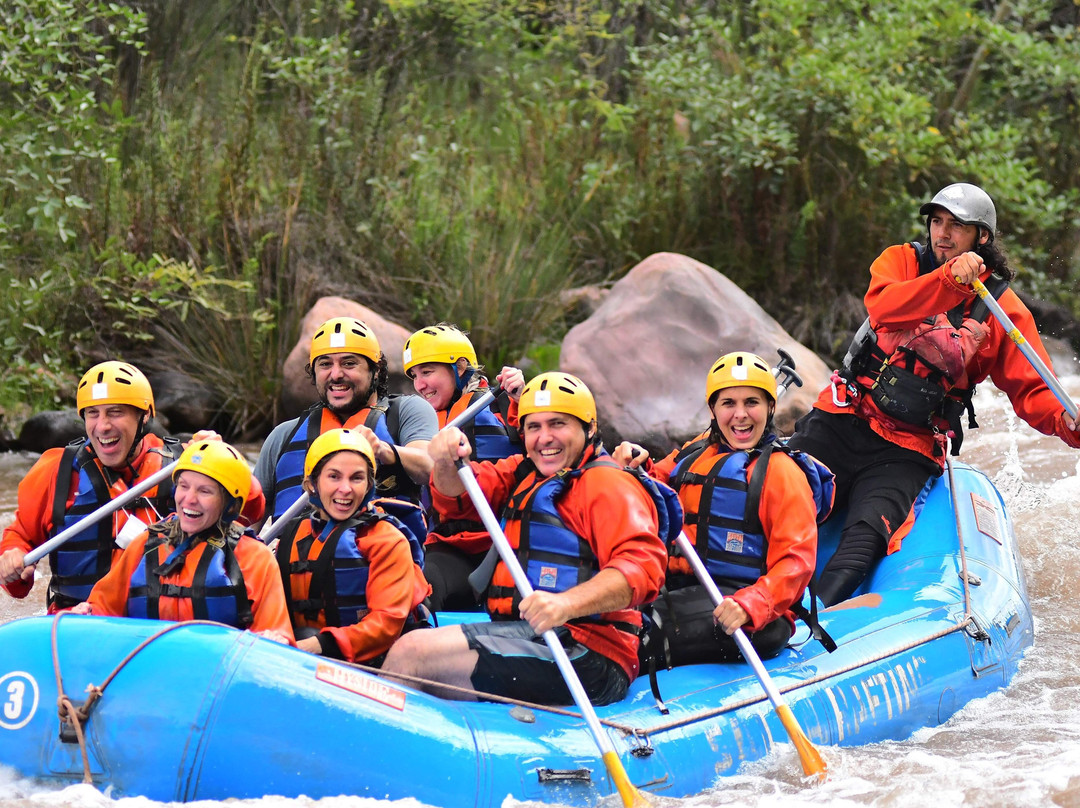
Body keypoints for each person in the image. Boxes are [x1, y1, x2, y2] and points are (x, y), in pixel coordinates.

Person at [786, 182, 1080, 606]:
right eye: (937, 222)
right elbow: (885, 309)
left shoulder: (1001, 308)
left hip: (908, 448)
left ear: (981, 238)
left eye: (956, 226)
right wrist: (947, 281)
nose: (941, 233)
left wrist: (1068, 424)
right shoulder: (902, 261)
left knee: (863, 543)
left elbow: (1033, 387)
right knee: (772, 500)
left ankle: (803, 626)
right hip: (843, 416)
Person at [381, 372, 668, 706]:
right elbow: (454, 497)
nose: (544, 438)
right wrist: (444, 459)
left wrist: (566, 603)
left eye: (557, 424)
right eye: (534, 427)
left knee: (412, 654)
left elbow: (643, 569)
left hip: (591, 655)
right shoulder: (524, 471)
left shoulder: (608, 484)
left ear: (589, 429)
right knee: (405, 639)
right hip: (535, 634)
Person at [614, 352, 833, 667]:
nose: (740, 415)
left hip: (751, 612)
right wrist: (636, 464)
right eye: (728, 403)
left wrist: (751, 604)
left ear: (771, 407)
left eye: (752, 403)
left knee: (632, 634)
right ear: (712, 410)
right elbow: (655, 485)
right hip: (684, 589)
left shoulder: (783, 473)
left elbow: (796, 564)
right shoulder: (697, 452)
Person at [0, 361, 264, 611]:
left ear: (144, 416)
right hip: (78, 623)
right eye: (93, 414)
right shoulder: (55, 471)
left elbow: (252, 508)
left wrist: (222, 460)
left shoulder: (185, 465)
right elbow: (18, 548)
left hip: (157, 623)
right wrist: (13, 558)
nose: (103, 426)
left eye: (115, 412)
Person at [73, 440, 293, 641]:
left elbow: (277, 636)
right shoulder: (146, 545)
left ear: (231, 505)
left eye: (205, 491)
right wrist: (86, 612)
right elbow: (102, 609)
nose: (189, 499)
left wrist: (276, 639)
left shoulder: (255, 558)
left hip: (215, 676)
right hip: (147, 668)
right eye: (184, 486)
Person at [255, 317, 439, 524]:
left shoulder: (405, 412)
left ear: (375, 370)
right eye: (325, 364)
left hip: (383, 551)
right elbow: (247, 516)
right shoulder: (283, 435)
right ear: (313, 373)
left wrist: (384, 450)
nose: (336, 374)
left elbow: (430, 467)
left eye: (349, 363)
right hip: (296, 552)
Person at [275, 428, 431, 664]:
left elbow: (386, 624)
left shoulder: (387, 540)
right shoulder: (291, 535)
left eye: (356, 478)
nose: (345, 489)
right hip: (309, 649)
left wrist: (317, 645)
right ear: (312, 484)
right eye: (334, 476)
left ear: (369, 485)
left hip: (377, 659)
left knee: (307, 636)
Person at [401, 323, 525, 610]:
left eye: (428, 372)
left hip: (505, 540)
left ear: (460, 367)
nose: (420, 385)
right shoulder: (420, 425)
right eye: (415, 376)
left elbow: (542, 440)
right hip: (450, 544)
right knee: (418, 596)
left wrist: (520, 395)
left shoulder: (500, 402)